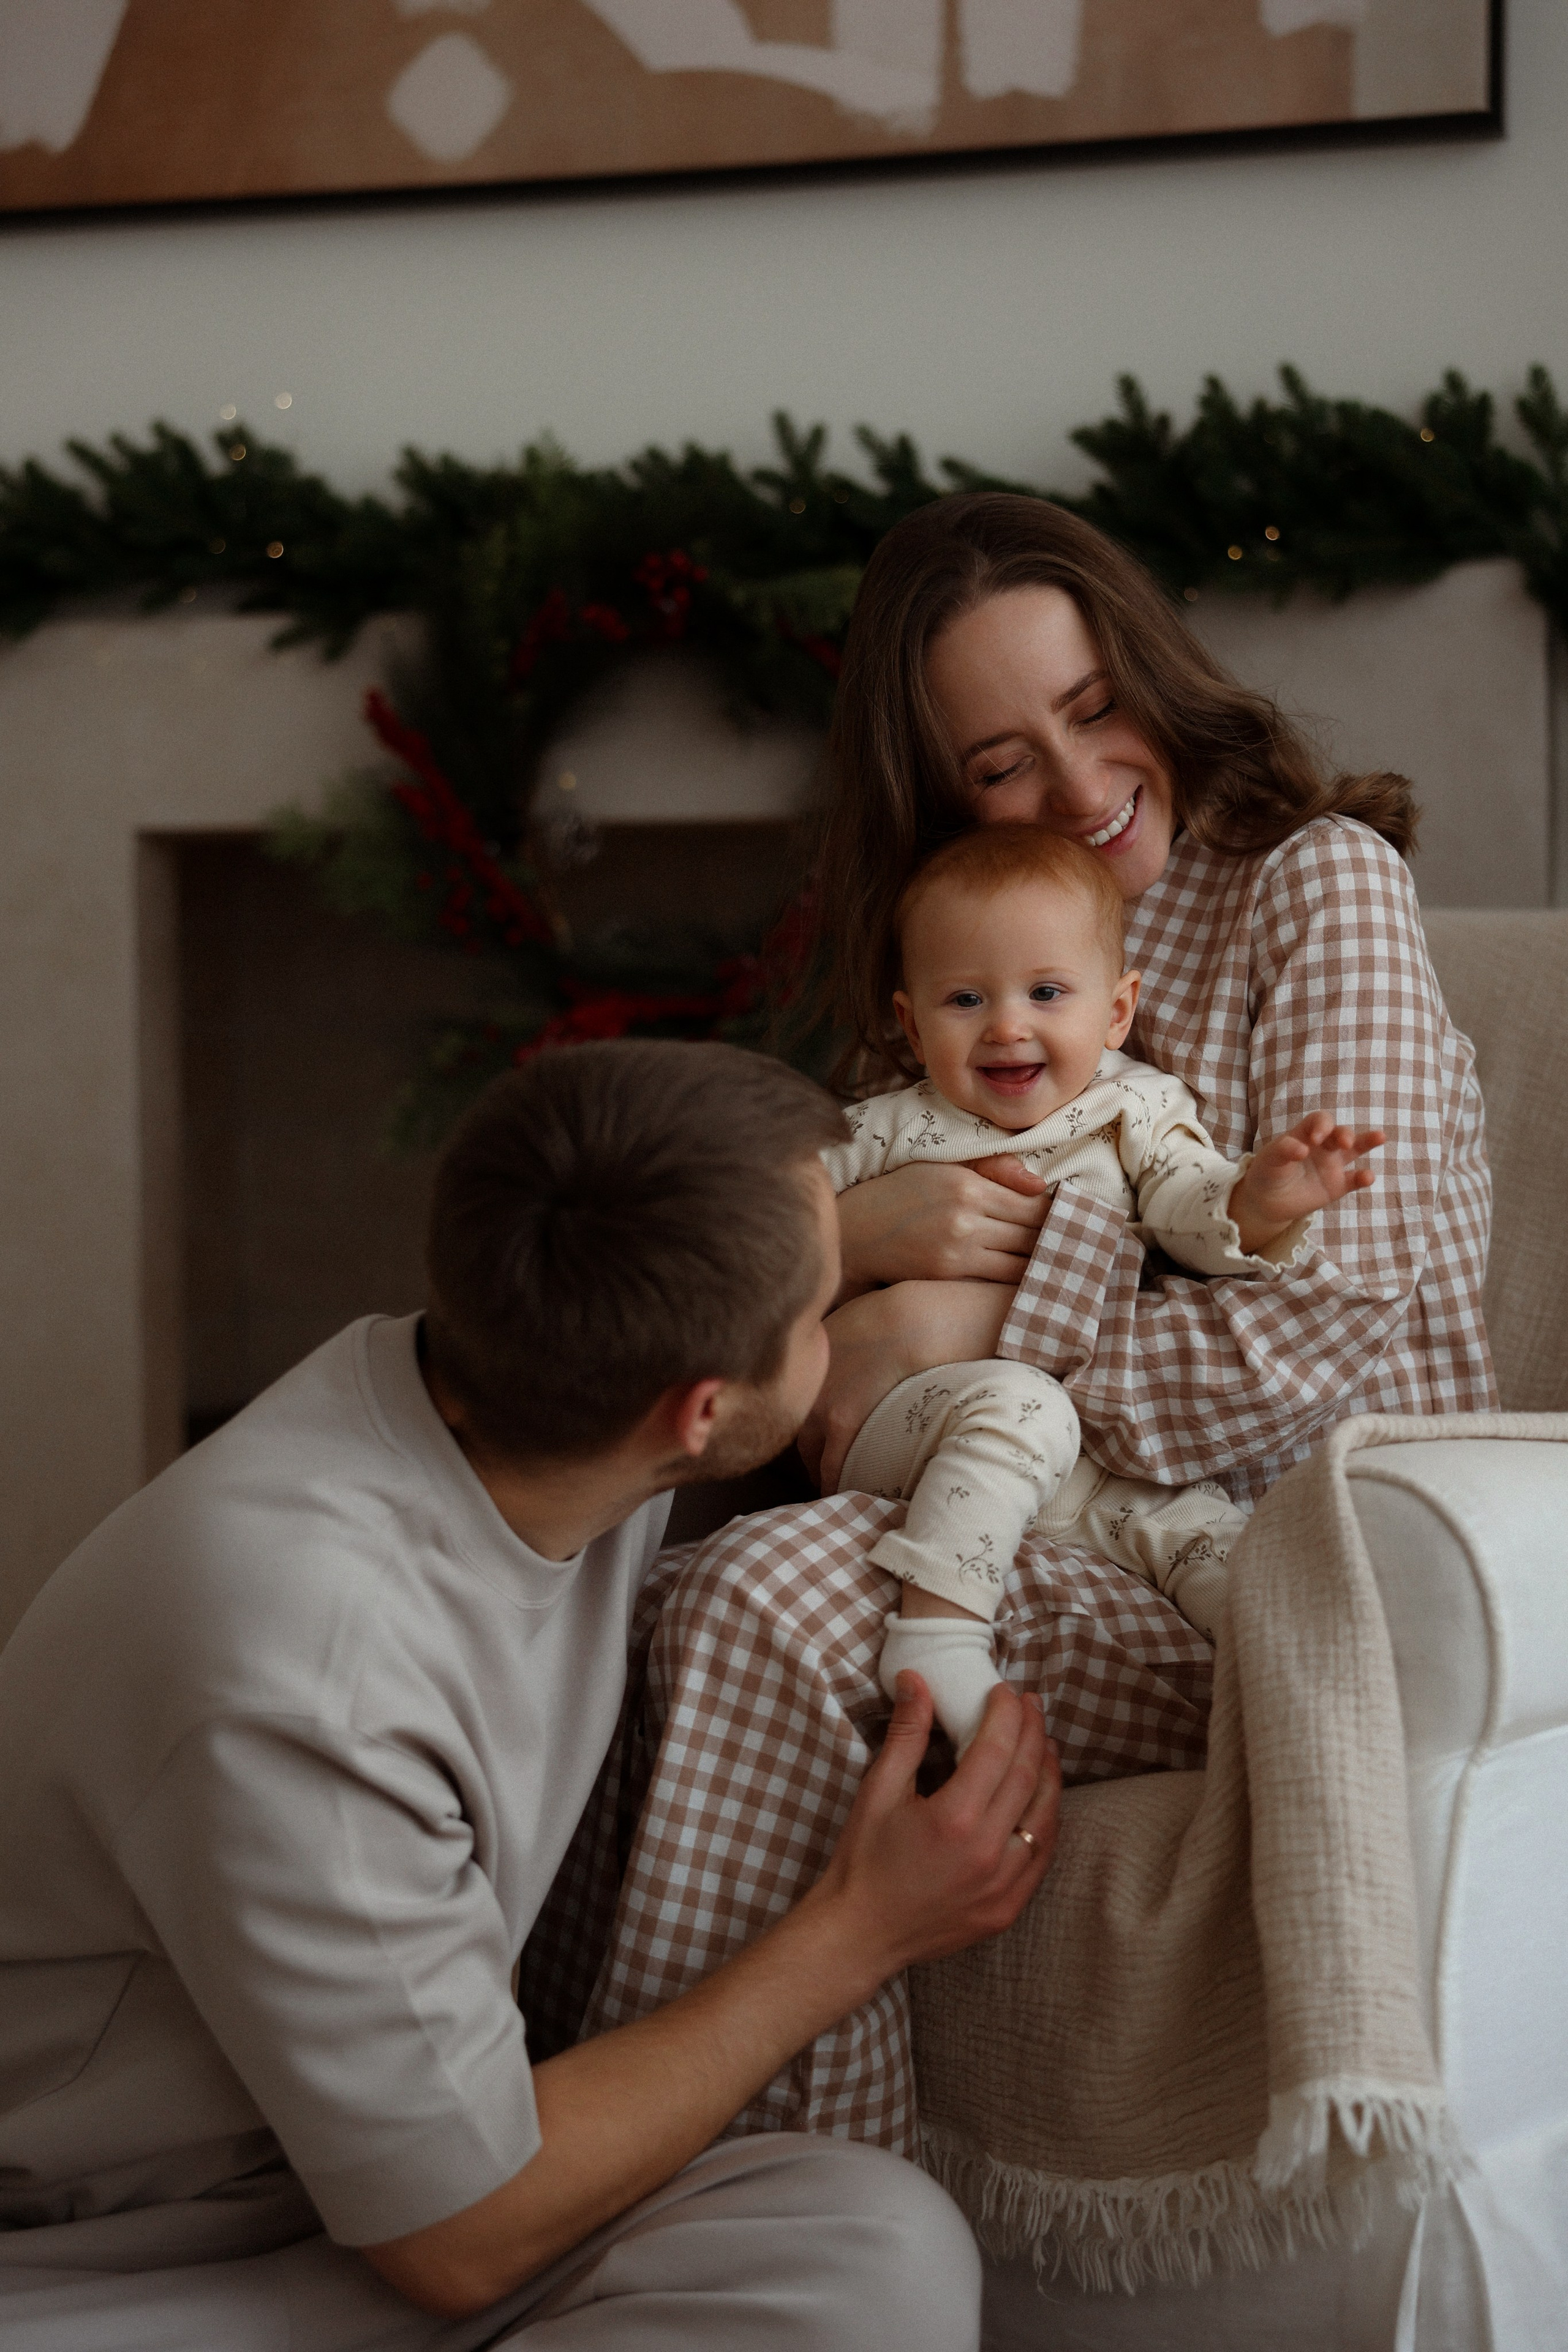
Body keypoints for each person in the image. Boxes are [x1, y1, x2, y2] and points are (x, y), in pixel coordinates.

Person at [568, 491, 1496, 2157]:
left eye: (1092, 710)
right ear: (943, 797)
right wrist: (851, 1246)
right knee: (642, 1582)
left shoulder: (1314, 890)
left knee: (771, 1607)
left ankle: (719, 2204)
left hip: (1257, 1552)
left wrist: (943, 1326)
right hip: (997, 1521)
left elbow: (1312, 1332)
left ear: (1156, 673)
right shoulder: (979, 946)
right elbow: (804, 1332)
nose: (1074, 791)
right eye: (1002, 764)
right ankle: (573, 2141)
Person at [0, 1039, 1060, 2352]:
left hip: (334, 2194)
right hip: (113, 2258)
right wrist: (863, 1926)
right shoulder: (300, 1681)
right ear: (698, 1408)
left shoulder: (529, 1377)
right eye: (818, 1306)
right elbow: (460, 2234)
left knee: (868, 2243)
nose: (839, 1317)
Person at [824, 820, 1383, 1751]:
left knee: (1210, 1534)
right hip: (904, 1419)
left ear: (1117, 1012)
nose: (1008, 1025)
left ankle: (1303, 1709)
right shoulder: (892, 1126)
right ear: (912, 1023)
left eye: (1047, 992)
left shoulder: (1135, 1106)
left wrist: (1260, 1199)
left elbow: (1187, 1205)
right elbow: (778, 1204)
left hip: (1084, 1461)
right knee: (1027, 1406)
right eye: (966, 999)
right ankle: (936, 1633)